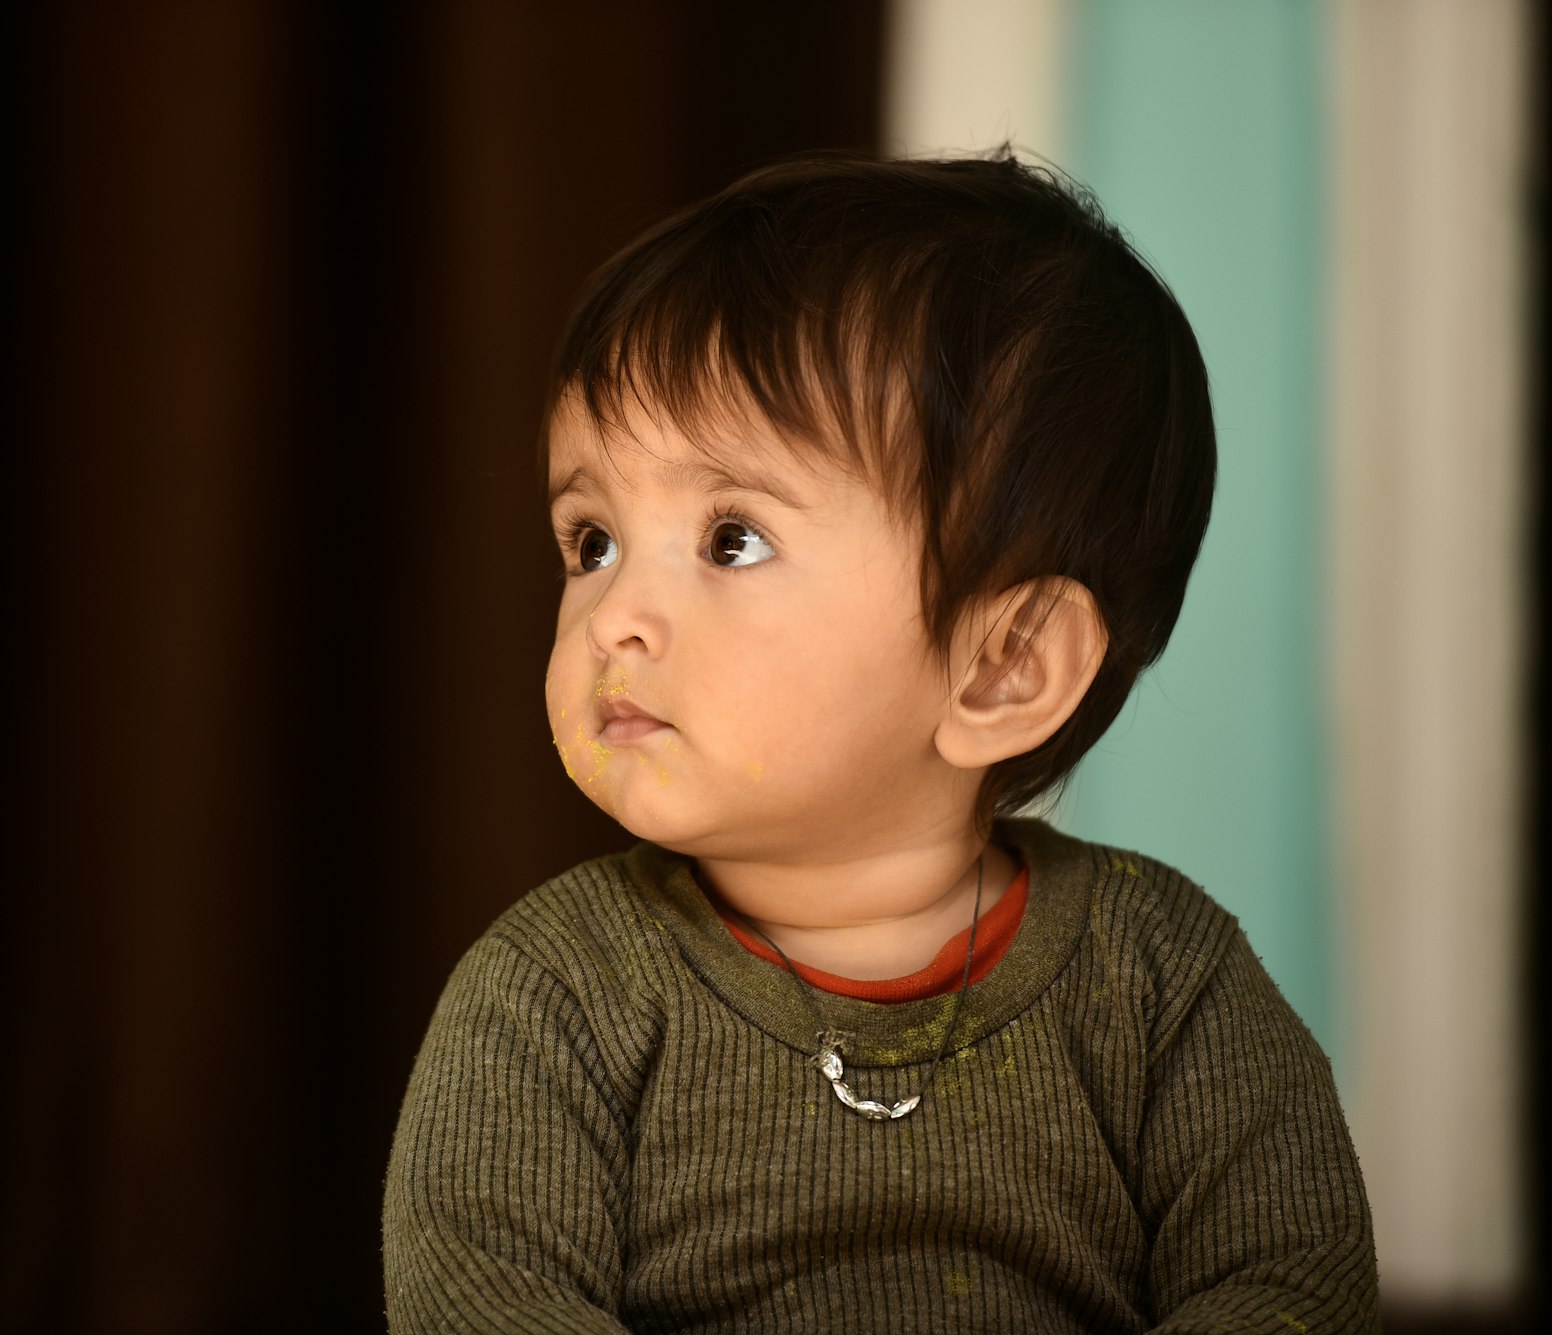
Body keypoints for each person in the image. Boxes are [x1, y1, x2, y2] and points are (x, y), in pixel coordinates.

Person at [382, 150, 1378, 1333]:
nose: (614, 617)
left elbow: (1290, 1283)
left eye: (730, 539)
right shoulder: (553, 990)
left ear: (1002, 666)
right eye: (589, 540)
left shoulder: (1163, 983)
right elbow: (482, 1298)